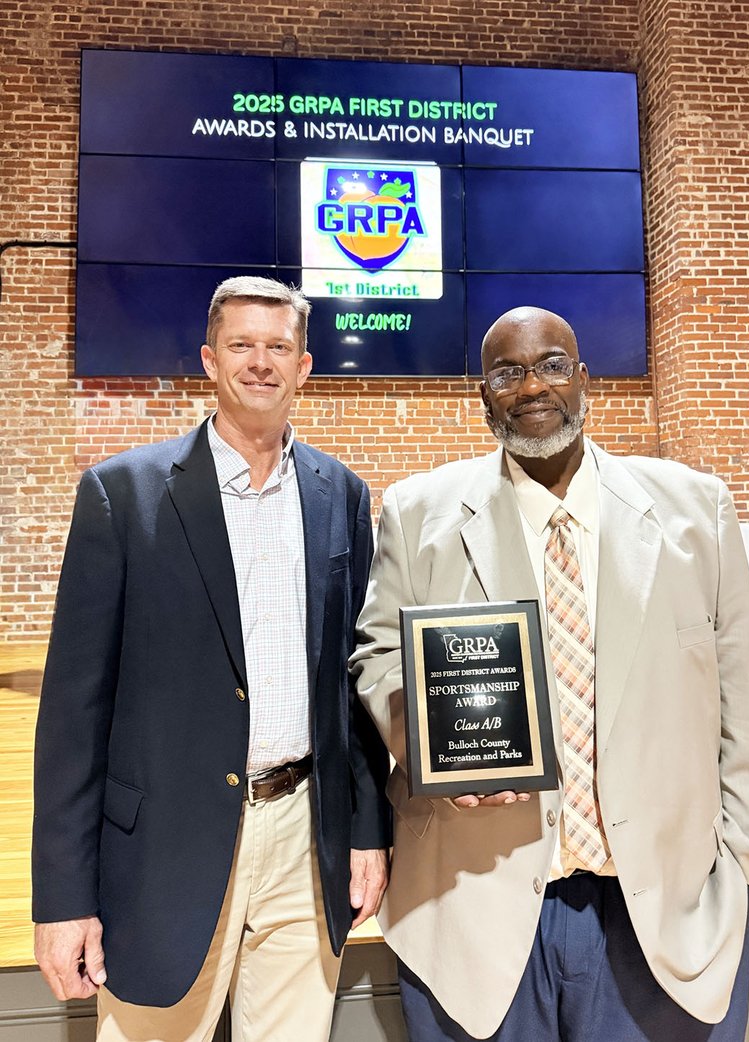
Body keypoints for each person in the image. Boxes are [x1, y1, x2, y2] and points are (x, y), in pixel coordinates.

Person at [350, 305, 749, 1042]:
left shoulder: (694, 509)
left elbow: (748, 695)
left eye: (552, 365)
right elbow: (378, 658)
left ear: (585, 378)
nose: (532, 386)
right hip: (474, 902)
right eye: (508, 373)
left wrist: (744, 861)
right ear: (483, 395)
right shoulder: (417, 513)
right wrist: (430, 750)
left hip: (667, 909)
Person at [32, 276, 391, 1042]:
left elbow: (353, 685)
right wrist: (62, 898)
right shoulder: (121, 496)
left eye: (278, 347)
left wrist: (367, 829)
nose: (260, 362)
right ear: (209, 359)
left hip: (304, 836)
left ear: (304, 366)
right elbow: (72, 715)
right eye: (241, 345)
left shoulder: (342, 496)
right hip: (165, 844)